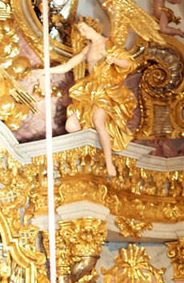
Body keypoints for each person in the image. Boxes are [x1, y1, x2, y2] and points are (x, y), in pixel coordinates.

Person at [51, 19, 135, 178]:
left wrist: (114, 59)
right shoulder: (87, 48)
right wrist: (45, 71)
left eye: (83, 28)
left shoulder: (109, 43)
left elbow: (129, 64)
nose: (82, 33)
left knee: (98, 120)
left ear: (93, 26)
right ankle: (85, 156)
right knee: (71, 125)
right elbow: (68, 65)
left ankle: (109, 164)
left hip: (104, 89)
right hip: (88, 90)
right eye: (80, 30)